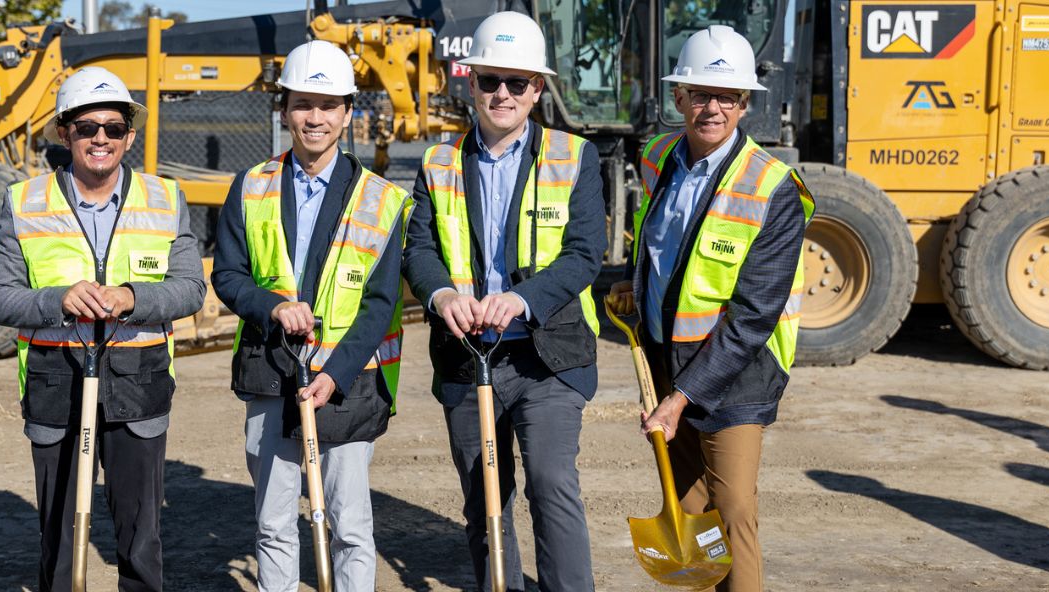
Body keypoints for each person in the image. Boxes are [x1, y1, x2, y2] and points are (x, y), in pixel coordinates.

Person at [402, 11, 606, 592]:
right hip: (469, 356)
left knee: (550, 482)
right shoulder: (439, 162)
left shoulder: (573, 157)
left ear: (537, 89)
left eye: (518, 83)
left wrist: (521, 300)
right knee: (484, 495)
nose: (503, 94)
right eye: (491, 81)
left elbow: (584, 254)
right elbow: (418, 249)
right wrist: (441, 293)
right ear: (472, 83)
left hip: (547, 357)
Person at [0, 66, 206, 591]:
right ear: (65, 133)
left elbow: (191, 289)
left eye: (112, 127)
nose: (99, 138)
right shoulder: (24, 203)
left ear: (129, 135)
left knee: (140, 539)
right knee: (59, 539)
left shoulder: (166, 200)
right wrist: (56, 299)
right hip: (55, 385)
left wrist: (133, 298)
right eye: (86, 127)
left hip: (139, 384)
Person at [608, 25, 816, 592]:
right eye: (700, 93)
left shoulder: (774, 189)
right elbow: (662, 244)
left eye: (727, 97)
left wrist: (680, 399)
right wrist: (635, 284)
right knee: (689, 507)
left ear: (745, 104)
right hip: (665, 361)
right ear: (678, 97)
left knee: (731, 509)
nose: (713, 107)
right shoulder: (657, 157)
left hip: (737, 373)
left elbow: (753, 315)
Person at [210, 40, 410, 592]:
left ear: (348, 113)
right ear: (284, 110)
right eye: (302, 103)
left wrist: (335, 373)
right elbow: (227, 275)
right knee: (274, 522)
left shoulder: (381, 200)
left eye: (327, 105)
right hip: (270, 371)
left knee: (349, 524)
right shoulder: (251, 187)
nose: (314, 118)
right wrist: (273, 307)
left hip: (345, 380)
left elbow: (380, 303)